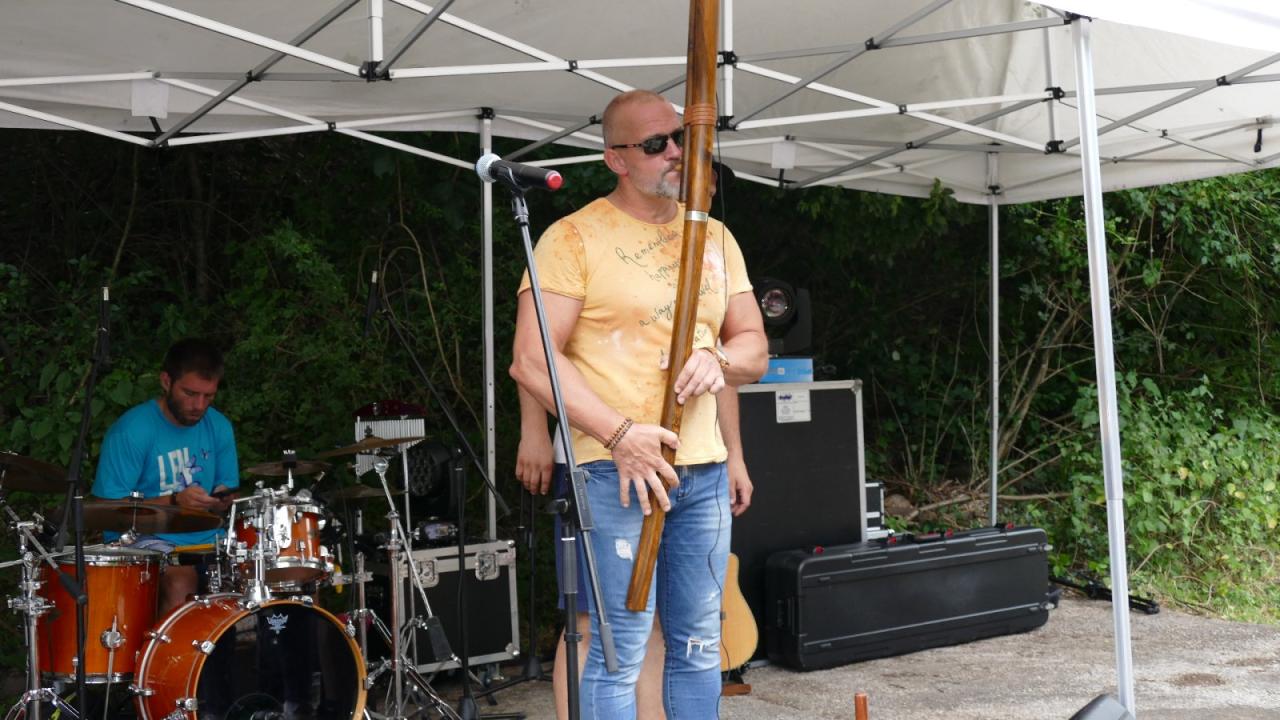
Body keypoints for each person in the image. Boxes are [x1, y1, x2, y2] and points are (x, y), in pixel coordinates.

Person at [510, 89, 767, 718]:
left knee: (700, 646)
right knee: (616, 649)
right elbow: (533, 359)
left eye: (680, 138)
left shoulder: (715, 236)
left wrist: (720, 361)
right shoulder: (573, 238)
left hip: (702, 472)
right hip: (613, 471)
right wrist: (620, 435)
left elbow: (754, 347)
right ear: (616, 159)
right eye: (656, 144)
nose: (676, 152)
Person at [517, 386, 754, 720]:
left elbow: (724, 371)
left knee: (655, 620)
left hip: (692, 463)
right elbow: (533, 360)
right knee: (594, 624)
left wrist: (735, 453)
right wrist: (533, 429)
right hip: (597, 462)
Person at [92, 338, 238, 614]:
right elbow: (106, 510)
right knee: (180, 581)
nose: (199, 405)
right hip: (141, 541)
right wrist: (174, 501)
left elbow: (227, 491)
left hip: (208, 539)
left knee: (278, 574)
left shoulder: (218, 425)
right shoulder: (132, 431)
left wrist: (223, 499)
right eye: (190, 393)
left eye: (208, 396)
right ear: (166, 381)